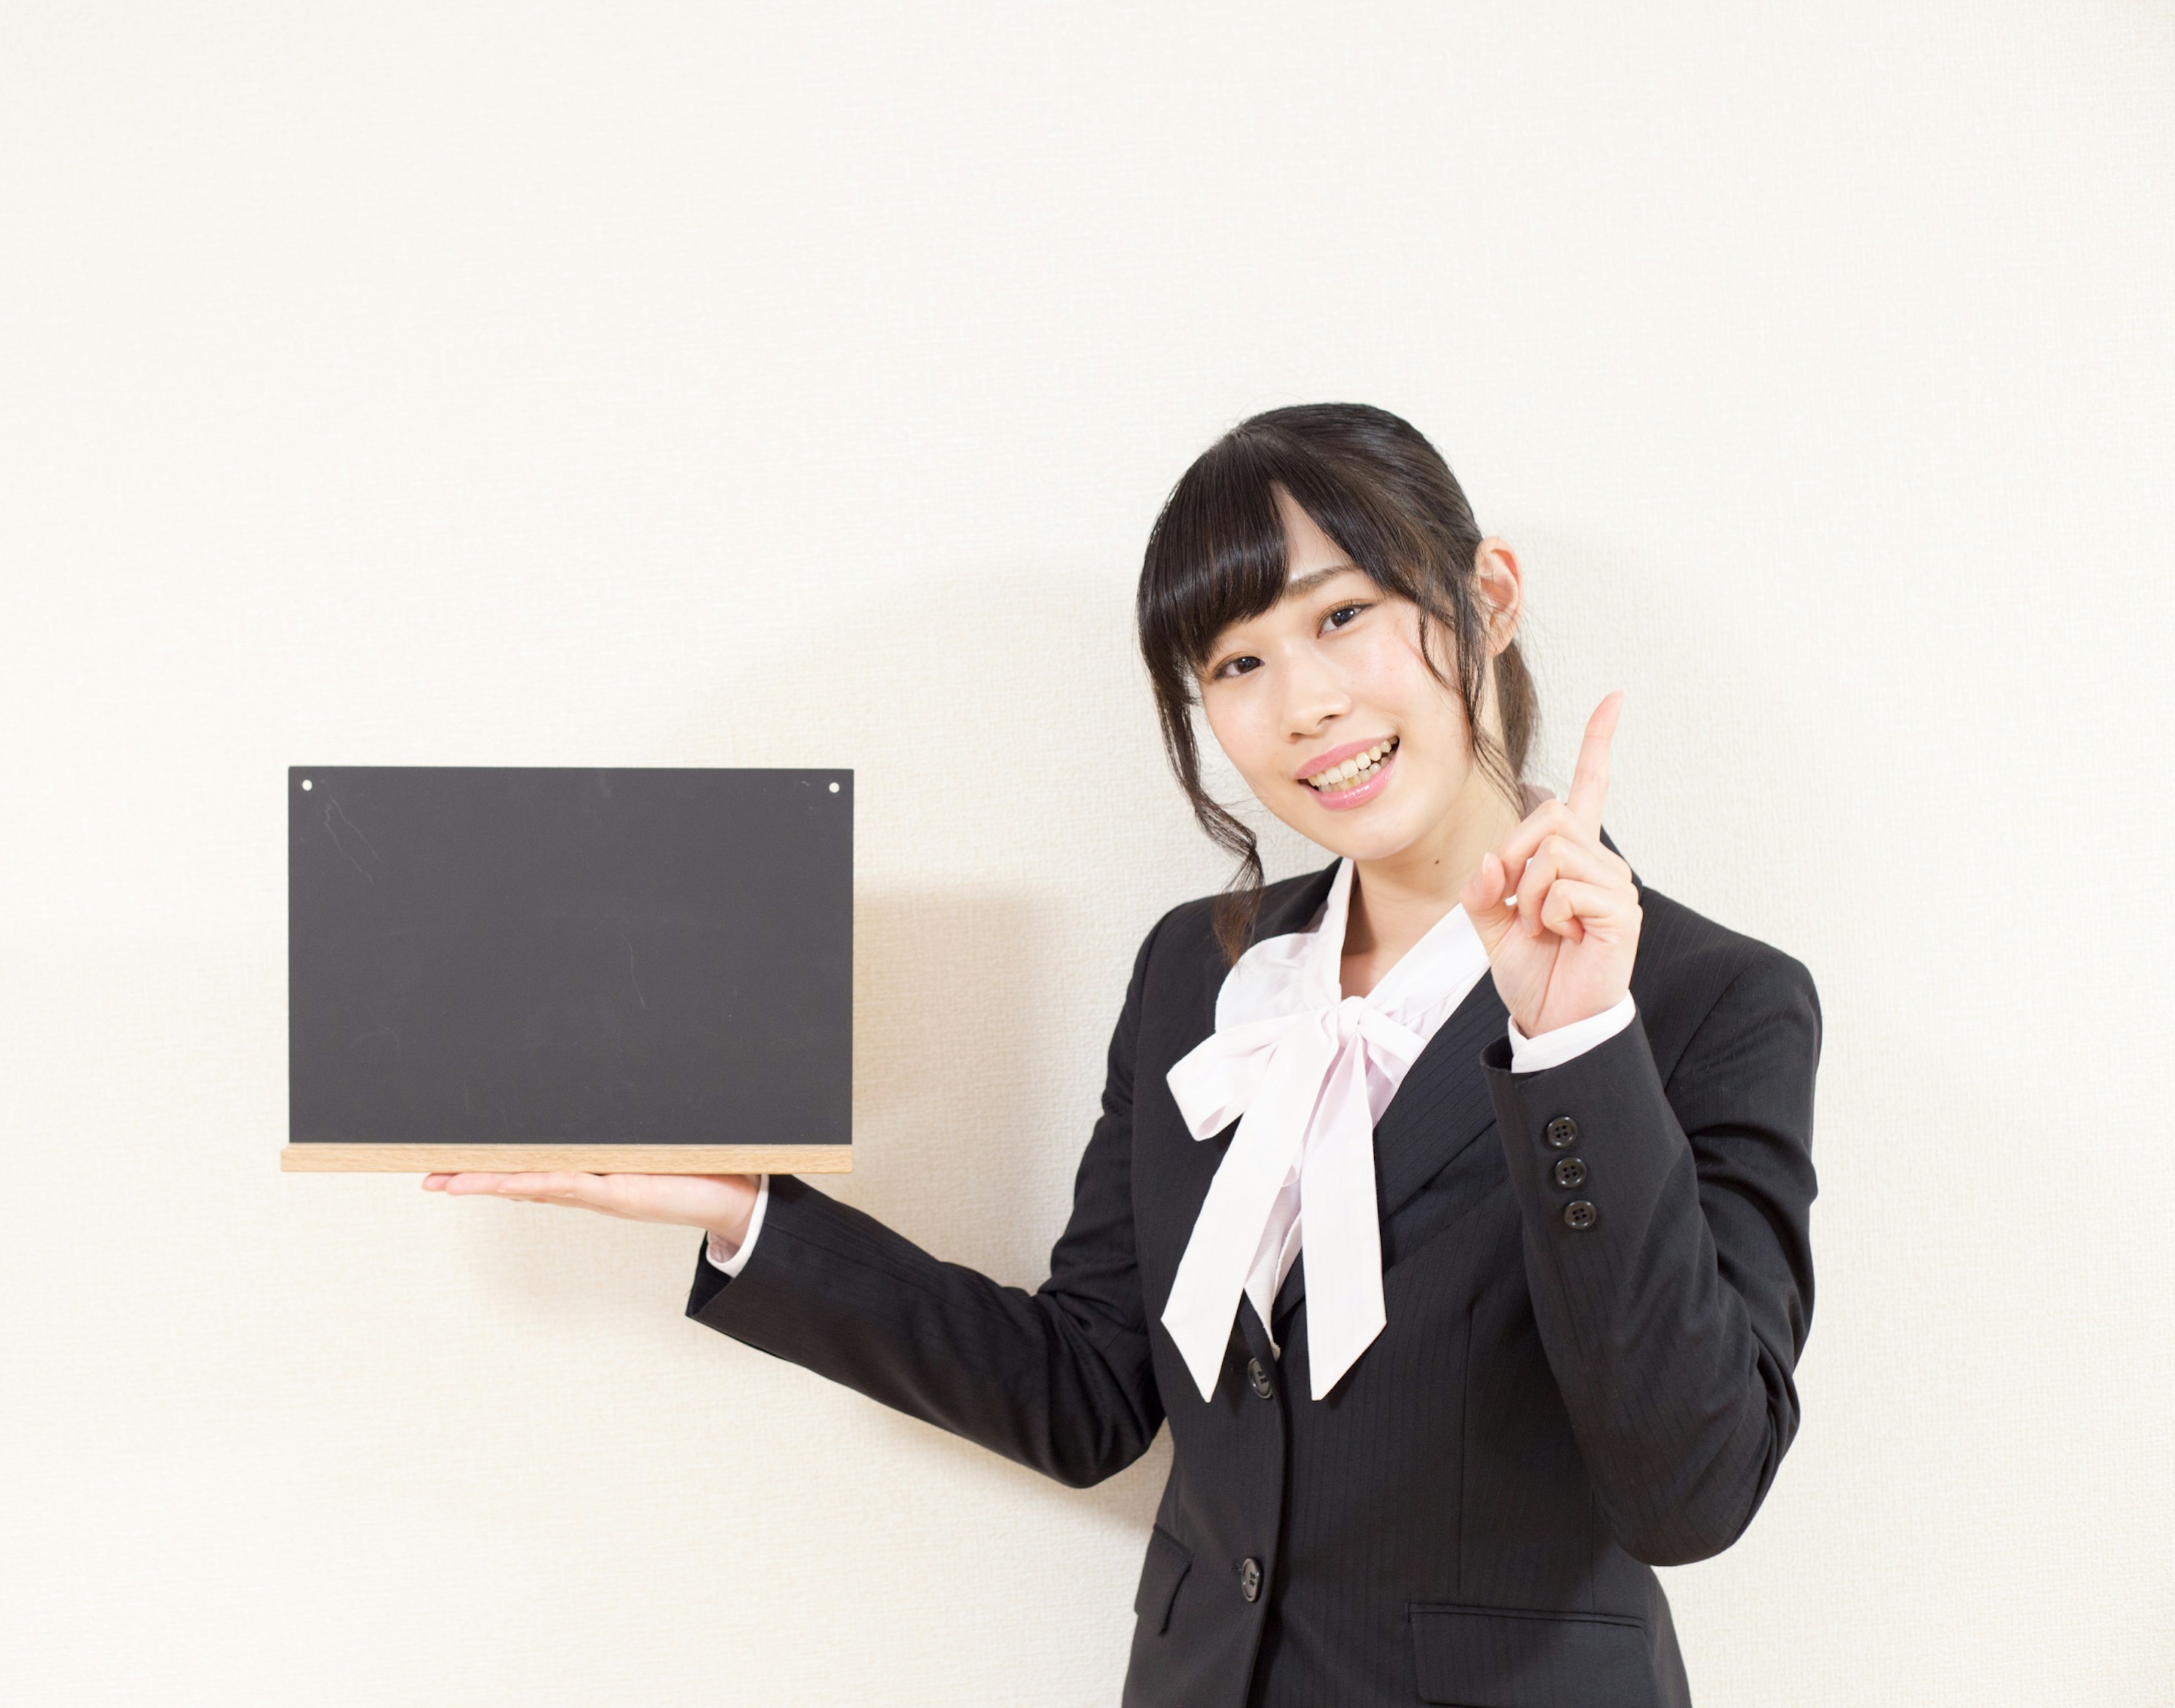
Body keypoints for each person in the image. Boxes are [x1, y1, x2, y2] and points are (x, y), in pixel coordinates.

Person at [424, 403, 1821, 1708]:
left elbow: (1690, 1487)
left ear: (1489, 596)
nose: (1307, 704)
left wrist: (1575, 1037)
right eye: (1237, 663)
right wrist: (747, 1215)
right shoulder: (1196, 973)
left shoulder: (1713, 999)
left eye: (1344, 615)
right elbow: (1092, 1388)